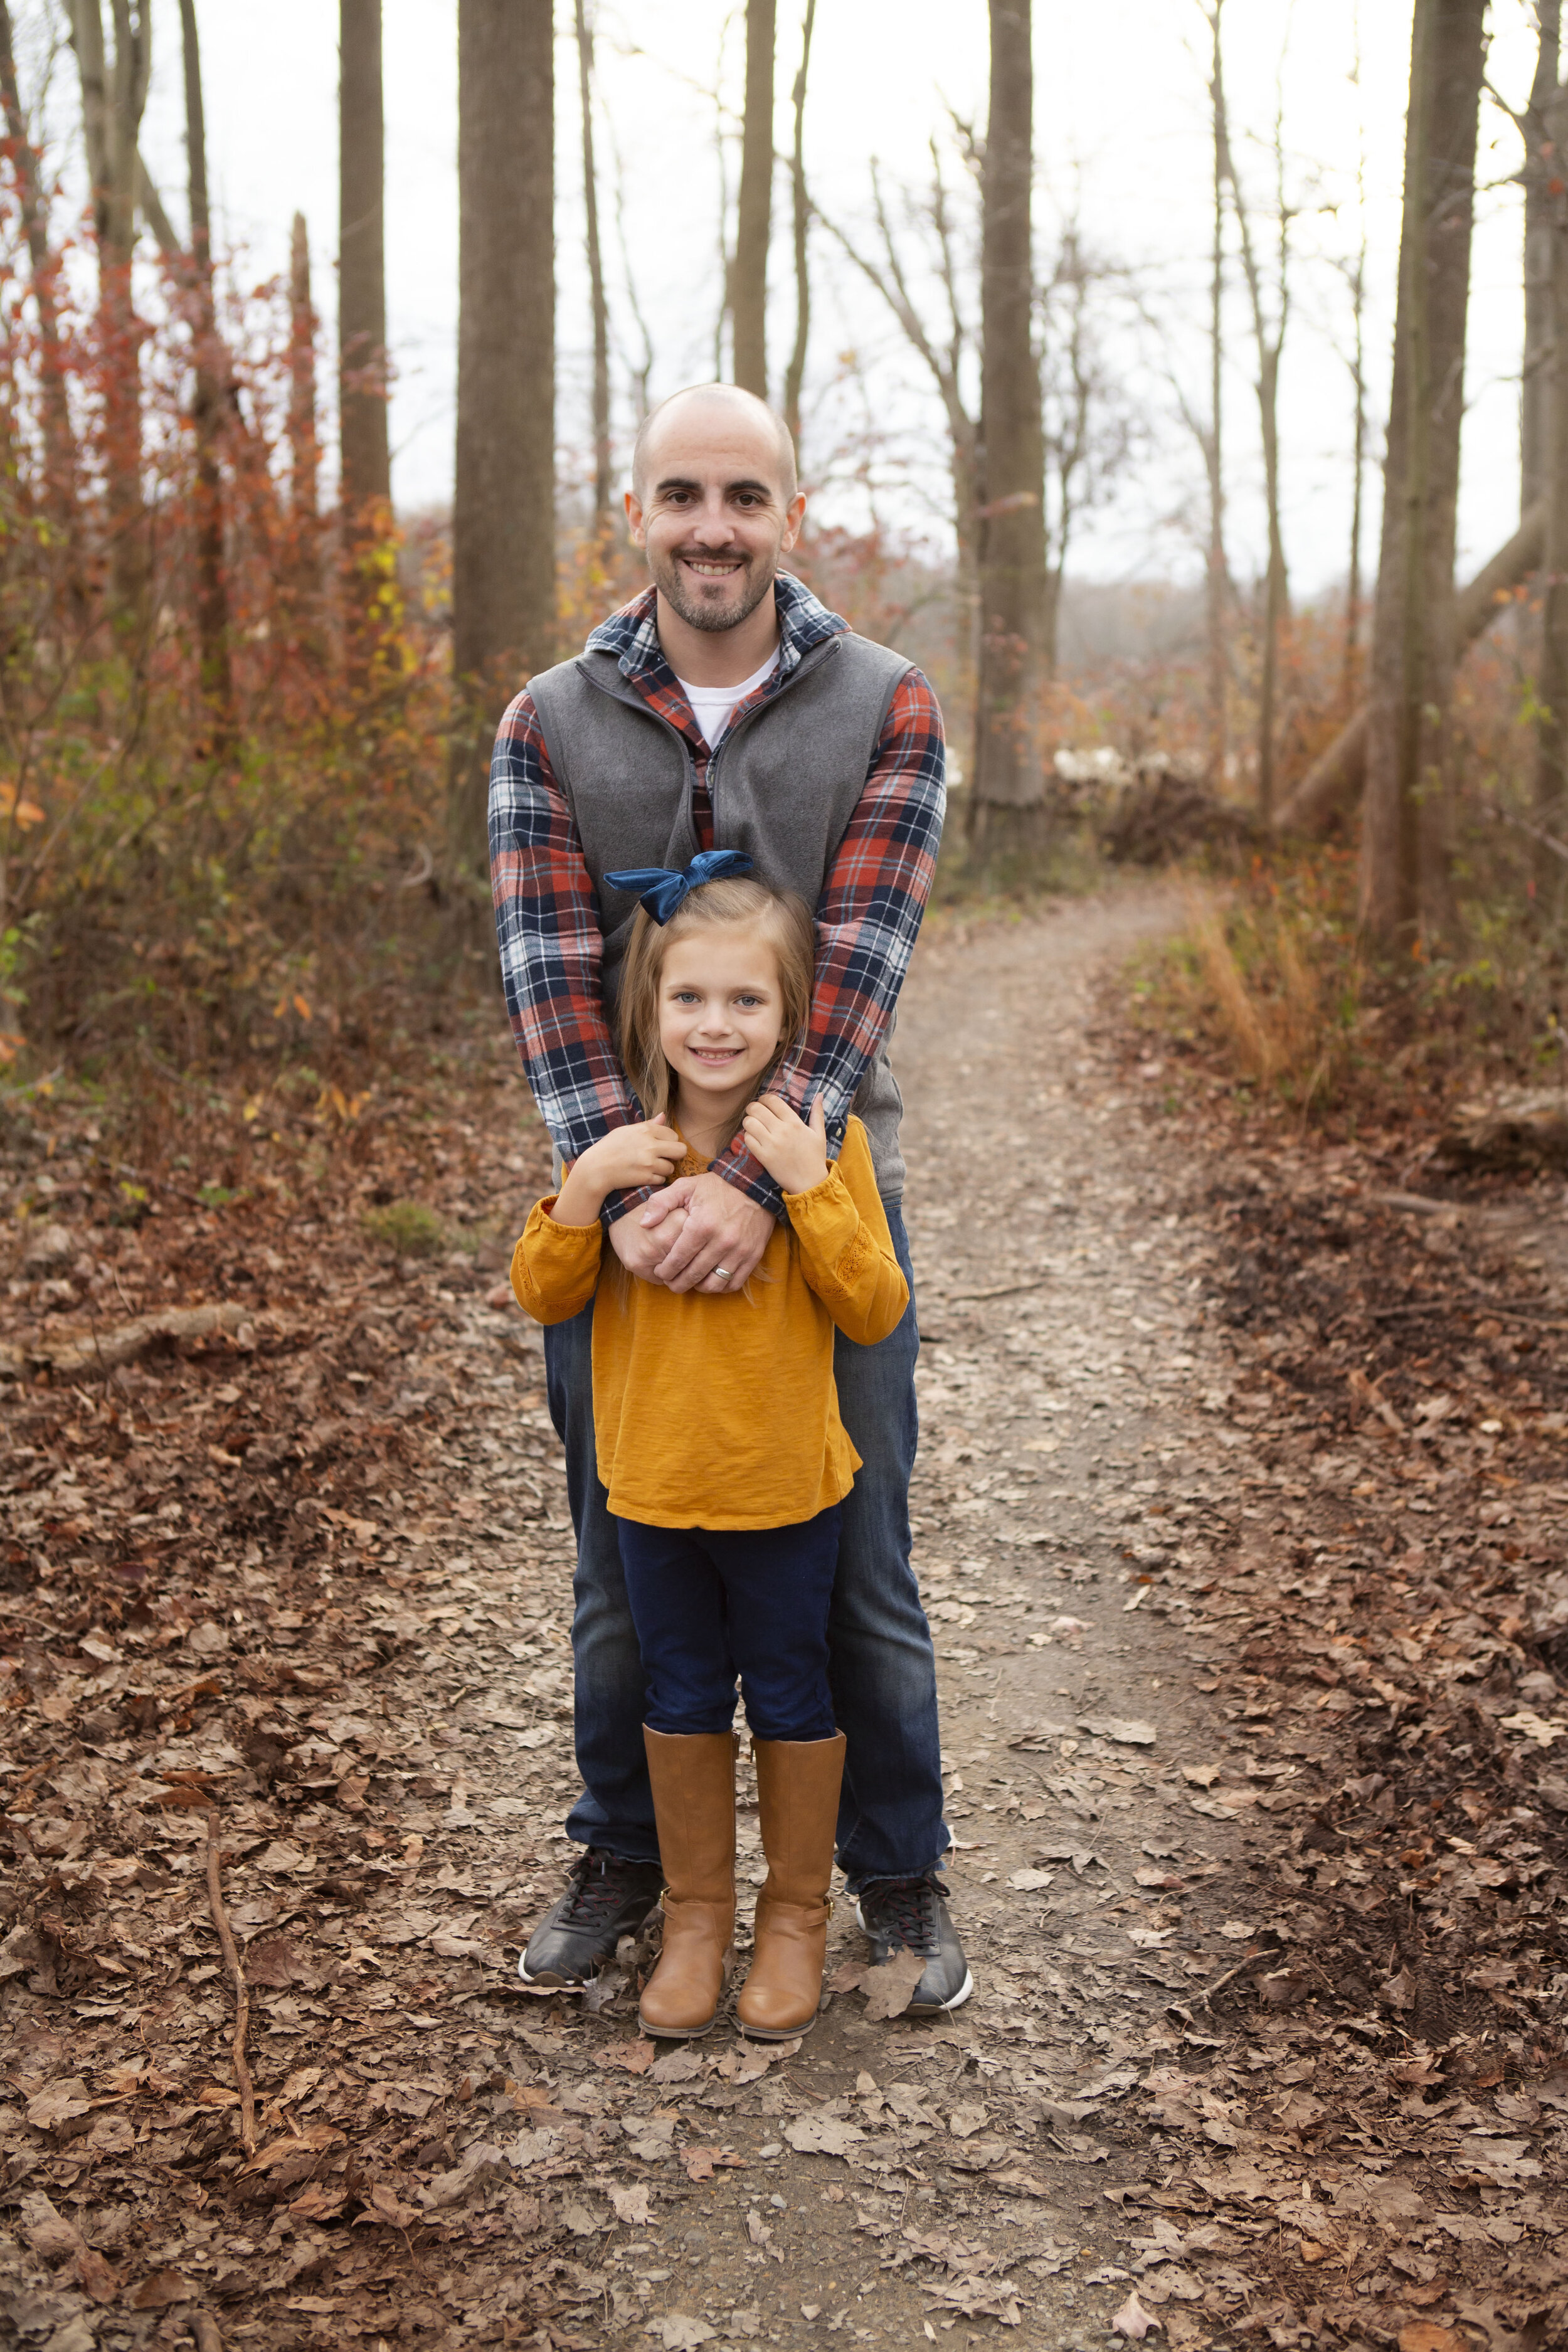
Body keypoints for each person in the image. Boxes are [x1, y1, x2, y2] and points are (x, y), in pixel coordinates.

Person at [489, 381, 970, 2016]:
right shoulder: (545, 723)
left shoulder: (887, 707)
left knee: (855, 1559)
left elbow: (858, 976)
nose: (712, 527)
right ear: (639, 510)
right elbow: (552, 988)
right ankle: (631, 1857)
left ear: (788, 513)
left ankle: (894, 1881)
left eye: (742, 498)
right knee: (625, 1563)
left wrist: (765, 1188)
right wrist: (625, 1202)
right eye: (681, 494)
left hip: (825, 1198)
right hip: (620, 1213)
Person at [511, 860, 909, 2040]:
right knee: (679, 1693)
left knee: (790, 1690)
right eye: (690, 999)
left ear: (792, 1019)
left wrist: (807, 1190)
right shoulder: (626, 1154)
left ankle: (792, 1919)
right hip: (652, 1492)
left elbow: (875, 1307)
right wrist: (581, 1191)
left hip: (785, 1491)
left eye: (747, 1002)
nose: (716, 1024)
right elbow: (543, 1292)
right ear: (651, 1010)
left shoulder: (816, 1147)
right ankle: (695, 1918)